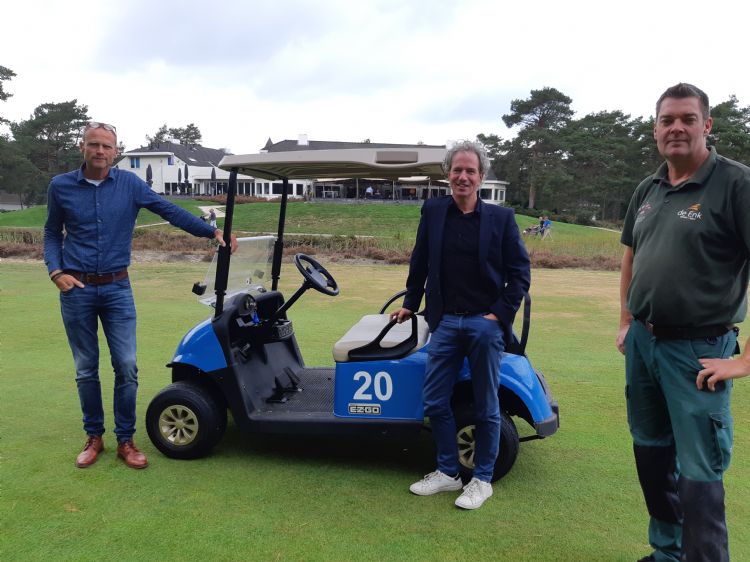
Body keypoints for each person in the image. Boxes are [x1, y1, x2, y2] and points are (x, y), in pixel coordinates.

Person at [44, 121, 237, 470]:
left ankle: (125, 440)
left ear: (116, 152)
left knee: (127, 366)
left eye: (106, 146)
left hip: (117, 288)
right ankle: (94, 436)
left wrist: (211, 231)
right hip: (76, 289)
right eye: (94, 144)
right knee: (86, 368)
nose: (100, 151)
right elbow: (51, 233)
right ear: (82, 147)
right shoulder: (60, 186)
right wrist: (56, 272)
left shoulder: (130, 184)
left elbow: (169, 211)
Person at [617, 83, 750, 562]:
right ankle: (667, 553)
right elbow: (632, 255)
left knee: (699, 473)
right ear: (655, 129)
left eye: (687, 119)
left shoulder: (736, 184)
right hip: (644, 344)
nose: (676, 127)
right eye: (667, 120)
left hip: (699, 351)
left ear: (706, 125)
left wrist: (746, 361)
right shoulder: (648, 189)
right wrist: (626, 321)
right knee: (651, 456)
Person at [391, 140, 530, 510]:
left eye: (470, 170)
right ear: (448, 174)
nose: (463, 176)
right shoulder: (434, 211)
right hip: (446, 322)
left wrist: (498, 315)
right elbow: (420, 262)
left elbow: (519, 274)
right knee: (435, 399)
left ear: (481, 177)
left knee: (486, 404)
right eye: (457, 170)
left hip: (485, 324)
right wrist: (410, 304)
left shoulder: (502, 219)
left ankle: (482, 480)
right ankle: (448, 472)